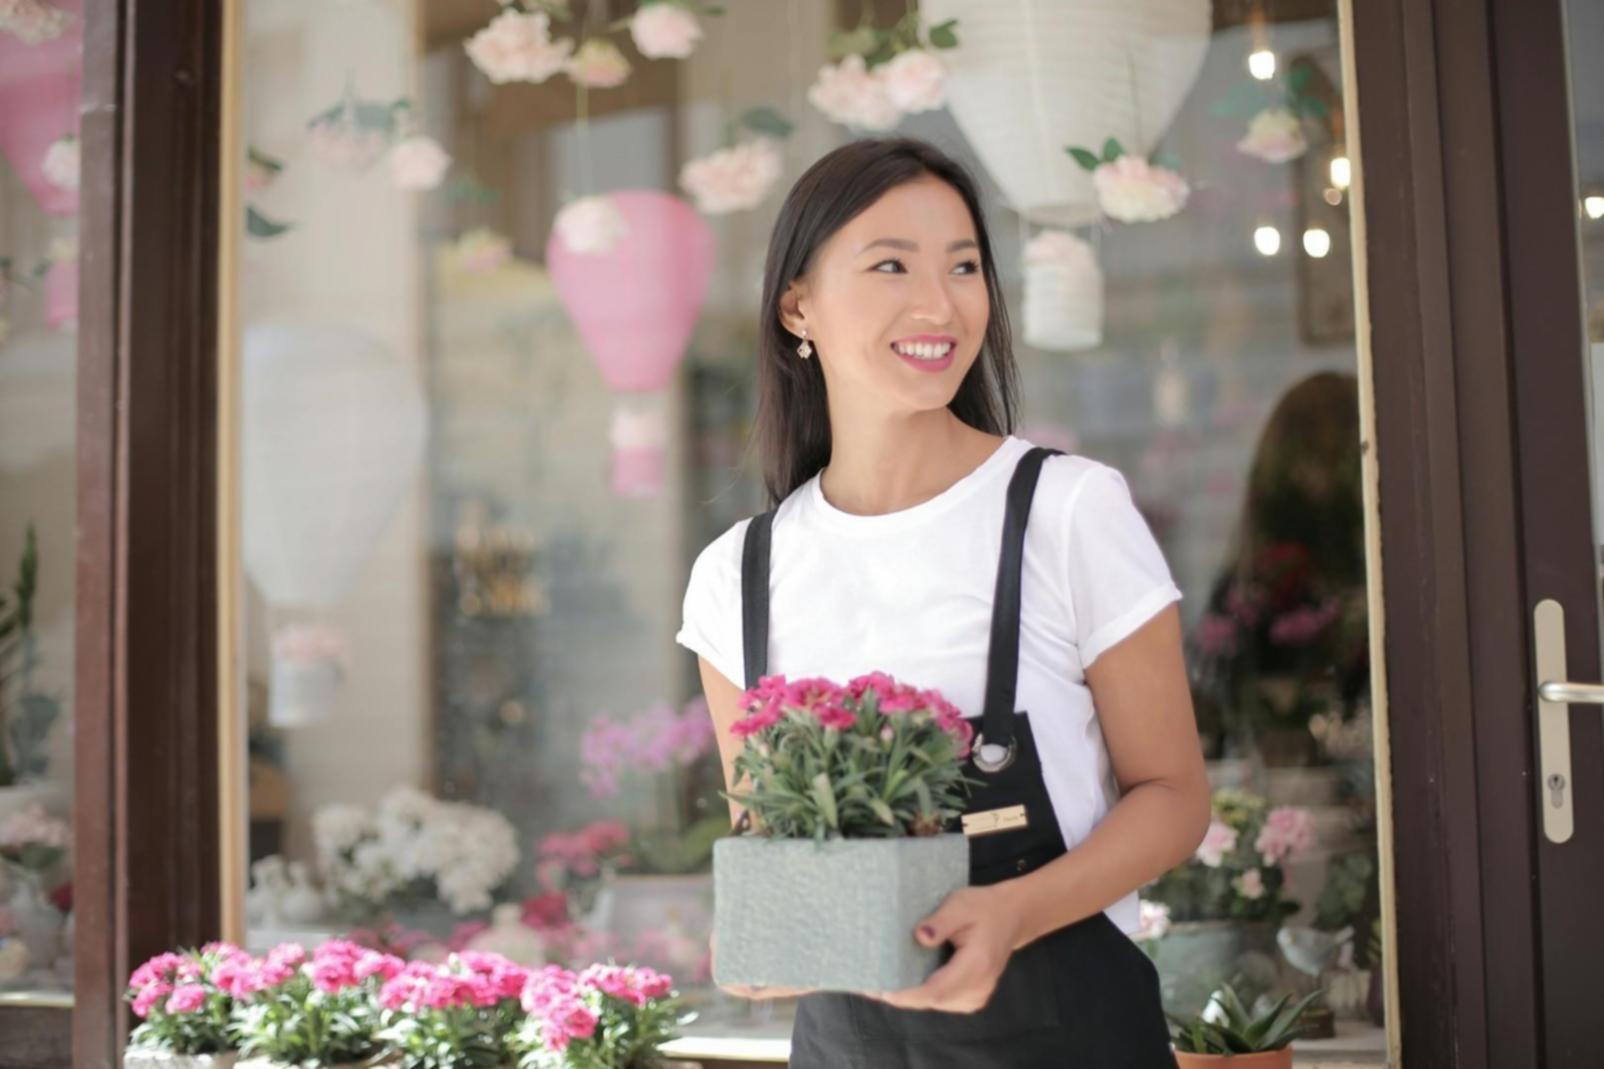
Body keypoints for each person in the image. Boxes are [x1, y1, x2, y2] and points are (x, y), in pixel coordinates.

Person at [674, 137, 1209, 1067]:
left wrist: (1008, 913)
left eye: (964, 265)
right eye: (891, 265)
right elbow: (763, 831)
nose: (940, 302)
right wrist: (764, 936)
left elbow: (1173, 798)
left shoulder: (1065, 511)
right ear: (797, 304)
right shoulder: (738, 575)